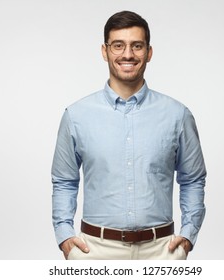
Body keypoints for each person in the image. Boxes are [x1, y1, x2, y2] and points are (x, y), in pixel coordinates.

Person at [51, 10, 206, 260]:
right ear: (104, 51)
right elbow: (64, 181)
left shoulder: (178, 115)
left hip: (161, 251)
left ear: (149, 52)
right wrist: (65, 236)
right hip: (94, 251)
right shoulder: (76, 115)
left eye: (137, 46)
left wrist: (188, 235)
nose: (127, 54)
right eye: (118, 45)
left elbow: (193, 179)